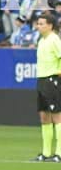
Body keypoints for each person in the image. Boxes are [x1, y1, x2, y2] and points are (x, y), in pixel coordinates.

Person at [33, 11, 61, 161]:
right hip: (42, 79)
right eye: (38, 23)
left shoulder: (54, 39)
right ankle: (46, 153)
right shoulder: (42, 40)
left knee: (57, 116)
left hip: (52, 79)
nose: (39, 26)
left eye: (42, 24)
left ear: (50, 26)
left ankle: (59, 153)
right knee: (44, 116)